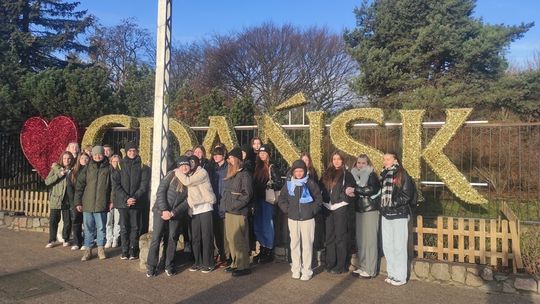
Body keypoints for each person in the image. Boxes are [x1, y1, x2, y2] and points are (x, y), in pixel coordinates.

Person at [278, 159, 322, 281]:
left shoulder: (311, 183)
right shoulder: (288, 185)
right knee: (294, 244)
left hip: (308, 219)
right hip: (293, 218)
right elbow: (281, 199)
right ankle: (296, 269)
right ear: (293, 172)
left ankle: (307, 270)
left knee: (307, 245)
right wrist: (287, 209)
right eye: (296, 171)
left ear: (305, 171)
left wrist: (312, 210)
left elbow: (318, 199)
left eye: (301, 170)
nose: (298, 173)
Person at [147, 156, 190, 277]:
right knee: (156, 238)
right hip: (160, 211)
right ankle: (151, 267)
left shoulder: (190, 180)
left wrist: (173, 212)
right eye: (182, 165)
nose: (184, 167)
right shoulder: (171, 175)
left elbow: (187, 201)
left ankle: (168, 265)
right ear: (178, 166)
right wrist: (164, 210)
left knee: (172, 239)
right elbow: (160, 191)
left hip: (176, 214)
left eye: (186, 165)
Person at [175, 155, 216, 273]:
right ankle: (197, 262)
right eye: (189, 162)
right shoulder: (188, 174)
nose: (191, 164)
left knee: (206, 236)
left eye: (193, 161)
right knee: (195, 238)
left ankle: (209, 263)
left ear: (197, 162)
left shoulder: (202, 172)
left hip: (205, 208)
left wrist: (177, 171)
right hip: (194, 210)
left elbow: (188, 182)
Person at [380, 152, 416, 286]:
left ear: (395, 160)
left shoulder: (402, 174)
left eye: (388, 159)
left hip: (399, 213)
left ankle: (400, 276)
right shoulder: (383, 174)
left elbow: (407, 195)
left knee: (399, 246)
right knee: (388, 245)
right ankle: (392, 273)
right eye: (384, 159)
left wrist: (392, 203)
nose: (385, 161)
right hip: (386, 213)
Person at [112, 142, 150, 260]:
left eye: (134, 151)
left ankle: (133, 250)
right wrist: (126, 198)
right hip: (123, 203)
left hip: (137, 202)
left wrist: (134, 198)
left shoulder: (143, 166)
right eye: (130, 151)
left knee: (135, 227)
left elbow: (144, 185)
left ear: (137, 152)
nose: (132, 153)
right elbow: (116, 185)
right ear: (126, 152)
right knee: (124, 227)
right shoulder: (119, 165)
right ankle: (124, 250)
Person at [320, 151, 356, 274]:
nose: (336, 161)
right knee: (329, 236)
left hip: (340, 207)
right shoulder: (326, 173)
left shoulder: (347, 174)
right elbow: (321, 188)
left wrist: (342, 198)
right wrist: (324, 199)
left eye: (338, 159)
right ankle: (331, 263)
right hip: (327, 207)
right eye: (334, 159)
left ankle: (341, 265)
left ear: (342, 160)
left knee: (340, 236)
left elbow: (351, 190)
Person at [75, 145, 112, 261]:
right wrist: (78, 202)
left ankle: (101, 249)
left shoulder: (109, 169)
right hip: (88, 204)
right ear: (92, 155)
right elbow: (79, 186)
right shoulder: (87, 168)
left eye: (99, 154)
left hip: (101, 204)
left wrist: (111, 201)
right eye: (95, 154)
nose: (97, 156)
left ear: (103, 154)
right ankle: (88, 250)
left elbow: (113, 187)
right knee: (88, 228)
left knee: (101, 228)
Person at [220, 147, 253, 277]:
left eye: (232, 158)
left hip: (238, 212)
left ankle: (243, 265)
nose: (230, 160)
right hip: (229, 210)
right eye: (229, 158)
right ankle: (235, 263)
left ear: (238, 159)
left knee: (239, 240)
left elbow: (247, 194)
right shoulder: (231, 173)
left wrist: (234, 205)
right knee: (230, 239)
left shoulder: (245, 174)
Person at [350, 154, 381, 279]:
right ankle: (362, 266)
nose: (360, 165)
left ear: (368, 164)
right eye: (358, 162)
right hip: (360, 210)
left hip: (370, 210)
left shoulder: (371, 174)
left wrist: (356, 190)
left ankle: (370, 270)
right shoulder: (354, 175)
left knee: (370, 241)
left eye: (363, 163)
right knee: (361, 241)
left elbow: (372, 189)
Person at [252, 144, 283, 264]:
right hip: (258, 199)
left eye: (264, 153)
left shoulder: (272, 167)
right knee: (258, 225)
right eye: (260, 153)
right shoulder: (257, 167)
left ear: (268, 154)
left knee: (267, 225)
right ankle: (263, 247)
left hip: (267, 200)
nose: (262, 155)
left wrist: (269, 185)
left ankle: (269, 250)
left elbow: (279, 183)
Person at [44, 151, 74, 248]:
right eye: (65, 158)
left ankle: (66, 239)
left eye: (69, 158)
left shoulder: (73, 170)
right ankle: (52, 240)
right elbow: (47, 182)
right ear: (61, 159)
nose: (67, 160)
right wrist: (59, 175)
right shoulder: (55, 169)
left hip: (68, 198)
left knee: (67, 221)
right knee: (53, 220)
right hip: (56, 198)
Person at [209, 146, 229, 267]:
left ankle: (226, 256)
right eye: (214, 154)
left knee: (225, 233)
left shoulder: (228, 168)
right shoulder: (212, 168)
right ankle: (219, 254)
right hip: (214, 202)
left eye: (218, 154)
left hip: (224, 202)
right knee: (216, 232)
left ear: (223, 155)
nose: (215, 156)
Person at [67, 153, 90, 251]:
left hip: (88, 201)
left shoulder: (91, 171)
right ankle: (77, 242)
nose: (84, 160)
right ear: (79, 160)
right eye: (82, 158)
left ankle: (86, 241)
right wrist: (75, 203)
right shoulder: (73, 172)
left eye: (86, 158)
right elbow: (70, 189)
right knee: (76, 222)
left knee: (87, 223)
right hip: (75, 202)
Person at [105, 154, 121, 249]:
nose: (116, 163)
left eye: (117, 161)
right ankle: (109, 239)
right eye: (114, 161)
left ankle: (116, 239)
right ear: (111, 162)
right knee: (108, 221)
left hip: (118, 200)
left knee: (117, 221)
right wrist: (110, 201)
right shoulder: (108, 172)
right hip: (109, 200)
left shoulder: (122, 171)